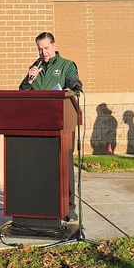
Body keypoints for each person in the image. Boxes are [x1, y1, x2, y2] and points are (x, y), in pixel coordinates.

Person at [20, 31, 81, 220]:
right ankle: (43, 204)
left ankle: (69, 206)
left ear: (54, 46)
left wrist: (73, 87)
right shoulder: (35, 67)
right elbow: (22, 91)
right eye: (40, 49)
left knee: (64, 165)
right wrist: (30, 78)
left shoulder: (66, 65)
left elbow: (73, 83)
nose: (43, 52)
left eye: (46, 48)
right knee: (41, 165)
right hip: (38, 124)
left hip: (62, 124)